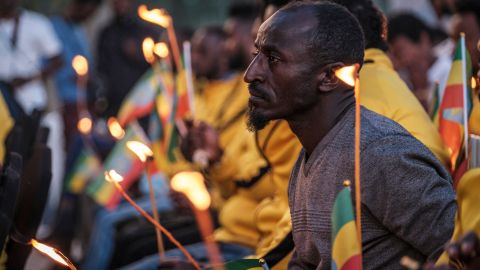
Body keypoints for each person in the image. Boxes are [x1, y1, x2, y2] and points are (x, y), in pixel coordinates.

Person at [244, 2, 456, 269]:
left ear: (329, 77)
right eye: (256, 55)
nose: (250, 74)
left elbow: (459, 250)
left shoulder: (380, 154)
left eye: (272, 59)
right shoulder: (310, 153)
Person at [50, 0, 101, 149]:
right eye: (87, 11)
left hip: (85, 100)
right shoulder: (54, 27)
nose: (88, 17)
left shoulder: (79, 30)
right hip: (64, 101)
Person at [97, 0, 159, 118]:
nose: (120, 4)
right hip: (113, 102)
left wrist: (138, 55)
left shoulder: (145, 32)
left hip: (139, 101)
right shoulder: (107, 33)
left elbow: (156, 66)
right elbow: (101, 68)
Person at [388, 13, 452, 110]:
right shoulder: (404, 79)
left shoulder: (450, 72)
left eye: (400, 53)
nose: (399, 63)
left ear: (423, 39)